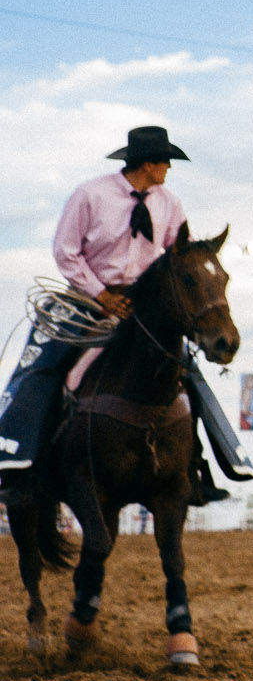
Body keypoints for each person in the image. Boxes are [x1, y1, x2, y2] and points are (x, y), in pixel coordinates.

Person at [0, 127, 232, 507]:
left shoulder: (169, 204)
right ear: (147, 164)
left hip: (143, 306)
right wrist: (102, 295)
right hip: (86, 299)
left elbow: (177, 258)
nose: (168, 168)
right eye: (164, 161)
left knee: (185, 372)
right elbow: (66, 252)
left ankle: (195, 469)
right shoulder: (90, 195)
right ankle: (20, 464)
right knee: (41, 366)